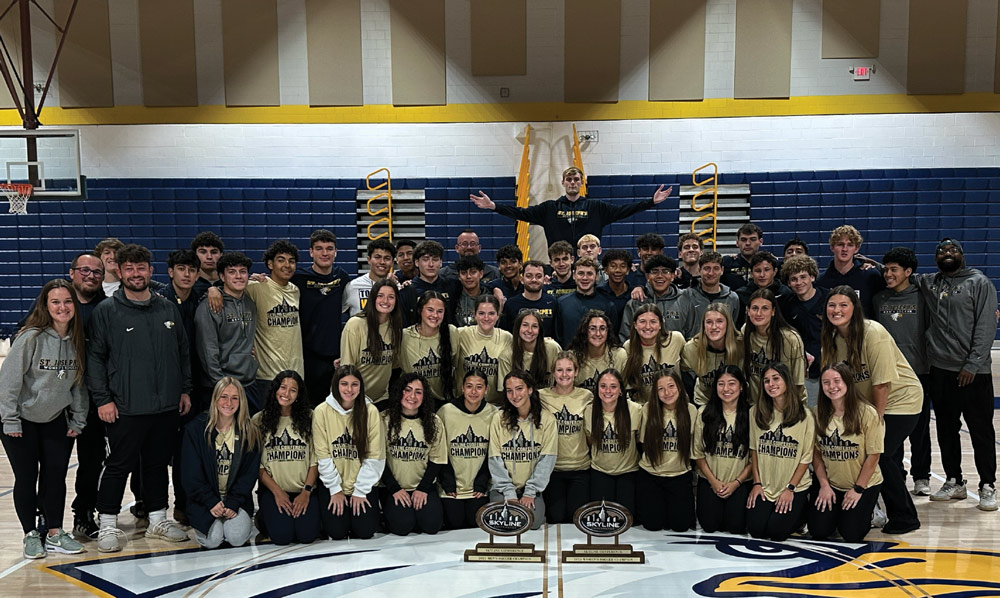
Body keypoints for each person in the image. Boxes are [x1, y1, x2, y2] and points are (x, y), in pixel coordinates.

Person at [88, 244, 191, 553]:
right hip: (125, 407)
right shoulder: (107, 310)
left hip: (166, 406)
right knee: (119, 465)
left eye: (141, 267)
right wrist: (103, 399)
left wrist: (184, 389)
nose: (136, 273)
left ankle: (158, 518)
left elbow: (183, 351)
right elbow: (95, 359)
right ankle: (107, 523)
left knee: (158, 464)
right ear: (119, 272)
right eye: (129, 268)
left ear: (150, 270)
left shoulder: (166, 307)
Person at [821, 285, 923, 534]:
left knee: (881, 454)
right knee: (878, 456)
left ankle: (905, 516)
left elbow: (882, 384)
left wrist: (876, 421)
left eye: (843, 305)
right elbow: (834, 380)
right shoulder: (832, 339)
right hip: (868, 404)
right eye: (832, 305)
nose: (837, 310)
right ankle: (875, 509)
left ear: (855, 309)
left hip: (901, 400)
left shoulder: (873, 332)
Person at [1, 279, 88, 559]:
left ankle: (54, 532)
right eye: (55, 302)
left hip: (54, 420)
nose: (62, 307)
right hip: (22, 421)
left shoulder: (76, 340)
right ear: (45, 305)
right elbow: (9, 382)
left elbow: (77, 385)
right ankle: (30, 535)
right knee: (26, 478)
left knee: (55, 478)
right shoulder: (31, 337)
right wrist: (10, 420)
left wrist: (78, 419)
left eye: (67, 301)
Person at [916, 238, 997, 510]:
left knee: (981, 431)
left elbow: (986, 327)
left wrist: (972, 365)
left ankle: (987, 484)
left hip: (973, 374)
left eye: (952, 251)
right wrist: (877, 268)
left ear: (962, 255)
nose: (946, 254)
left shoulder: (979, 282)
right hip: (940, 371)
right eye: (941, 251)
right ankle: (954, 480)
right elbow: (900, 274)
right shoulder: (929, 282)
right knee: (946, 430)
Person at [470, 166, 673, 248]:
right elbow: (521, 213)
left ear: (582, 182)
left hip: (589, 264)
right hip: (560, 264)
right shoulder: (549, 208)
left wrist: (650, 202)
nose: (573, 182)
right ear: (563, 182)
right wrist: (494, 206)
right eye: (569, 179)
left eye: (576, 179)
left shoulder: (597, 207)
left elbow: (624, 211)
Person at [873, 247, 932, 497]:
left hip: (919, 372)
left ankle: (922, 476)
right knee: (889, 430)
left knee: (920, 429)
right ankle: (897, 474)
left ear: (908, 272)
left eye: (893, 270)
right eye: (885, 269)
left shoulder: (922, 297)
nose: (887, 274)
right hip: (889, 375)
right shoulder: (879, 299)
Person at [809, 363, 884, 543]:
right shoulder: (817, 413)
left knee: (852, 534)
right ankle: (837, 514)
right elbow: (816, 454)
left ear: (848, 382)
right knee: (819, 531)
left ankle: (872, 510)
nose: (832, 387)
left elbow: (873, 456)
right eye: (826, 383)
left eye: (837, 381)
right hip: (832, 484)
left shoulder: (867, 413)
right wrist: (824, 485)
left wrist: (858, 489)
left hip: (861, 485)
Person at [182, 377, 260, 549]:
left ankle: (239, 523)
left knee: (237, 538)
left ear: (241, 401)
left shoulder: (250, 431)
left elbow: (249, 475)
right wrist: (210, 501)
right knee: (212, 541)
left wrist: (233, 502)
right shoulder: (195, 430)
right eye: (224, 396)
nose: (228, 403)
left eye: (234, 398)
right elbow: (191, 475)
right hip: (204, 501)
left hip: (235, 500)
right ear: (215, 399)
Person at [312, 365, 384, 540]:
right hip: (334, 485)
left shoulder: (371, 411)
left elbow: (376, 456)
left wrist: (360, 491)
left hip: (362, 485)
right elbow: (323, 455)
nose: (349, 389)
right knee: (337, 533)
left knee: (365, 532)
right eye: (344, 384)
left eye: (354, 384)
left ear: (360, 387)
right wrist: (335, 489)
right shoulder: (321, 411)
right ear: (336, 385)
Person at [746, 364, 814, 542]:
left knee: (777, 533)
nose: (771, 384)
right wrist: (757, 483)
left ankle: (803, 510)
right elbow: (754, 451)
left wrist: (790, 489)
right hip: (766, 485)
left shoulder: (805, 415)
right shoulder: (755, 412)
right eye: (766, 380)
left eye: (776, 378)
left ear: (786, 381)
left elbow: (806, 458)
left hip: (793, 486)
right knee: (756, 530)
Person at [66, 253, 108, 540]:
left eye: (97, 272)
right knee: (53, 464)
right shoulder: (57, 304)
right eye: (85, 270)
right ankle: (48, 518)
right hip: (56, 399)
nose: (91, 276)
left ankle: (84, 514)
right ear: (72, 273)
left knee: (91, 463)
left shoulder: (108, 308)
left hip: (92, 400)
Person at [253, 371, 319, 545]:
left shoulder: (311, 417)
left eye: (293, 390)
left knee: (306, 536)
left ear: (298, 395)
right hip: (274, 490)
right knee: (282, 537)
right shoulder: (259, 420)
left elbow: (316, 458)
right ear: (275, 389)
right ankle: (263, 516)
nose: (286, 394)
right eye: (283, 388)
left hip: (304, 489)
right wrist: (277, 492)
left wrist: (306, 491)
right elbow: (257, 464)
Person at [489, 371, 557, 530]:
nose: (514, 395)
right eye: (509, 390)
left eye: (519, 389)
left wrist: (530, 492)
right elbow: (495, 459)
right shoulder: (498, 418)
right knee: (503, 522)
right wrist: (509, 494)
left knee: (532, 523)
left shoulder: (546, 419)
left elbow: (547, 460)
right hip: (503, 487)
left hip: (531, 488)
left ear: (530, 389)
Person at [381, 374, 447, 535]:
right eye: (408, 390)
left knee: (432, 526)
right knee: (401, 528)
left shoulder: (434, 421)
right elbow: (377, 459)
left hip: (423, 486)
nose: (412, 396)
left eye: (418, 392)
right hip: (393, 487)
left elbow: (437, 460)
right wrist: (395, 489)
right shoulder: (383, 419)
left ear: (424, 397)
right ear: (399, 392)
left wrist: (423, 489)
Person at [195, 252, 258, 409]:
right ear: (222, 277)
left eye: (242, 271)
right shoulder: (210, 306)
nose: (238, 276)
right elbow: (208, 351)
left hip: (249, 382)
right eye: (232, 272)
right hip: (221, 386)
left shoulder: (250, 302)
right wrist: (222, 386)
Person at [693, 366, 751, 534]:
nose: (726, 389)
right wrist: (713, 481)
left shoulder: (751, 414)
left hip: (739, 482)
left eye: (732, 383)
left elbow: (754, 458)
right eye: (721, 384)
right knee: (709, 525)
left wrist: (736, 483)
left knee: (735, 527)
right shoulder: (704, 413)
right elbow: (698, 454)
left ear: (741, 386)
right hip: (711, 481)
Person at [293, 230, 348, 406]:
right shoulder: (298, 278)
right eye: (319, 248)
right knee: (311, 407)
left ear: (336, 252)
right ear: (311, 252)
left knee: (337, 406)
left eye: (329, 248)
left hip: (335, 357)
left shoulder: (342, 277)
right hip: (309, 356)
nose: (325, 253)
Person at [637, 371, 697, 532]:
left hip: (679, 476)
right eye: (661, 389)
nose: (667, 393)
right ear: (655, 393)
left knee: (680, 526)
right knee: (653, 525)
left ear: (679, 386)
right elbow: (642, 443)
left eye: (671, 386)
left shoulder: (691, 410)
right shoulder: (648, 409)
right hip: (651, 475)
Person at [244, 240, 304, 401]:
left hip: (295, 372)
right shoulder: (257, 287)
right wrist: (213, 289)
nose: (287, 265)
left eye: (291, 261)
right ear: (270, 264)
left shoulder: (295, 290)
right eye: (281, 260)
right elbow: (230, 288)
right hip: (267, 374)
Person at [438, 370, 498, 529]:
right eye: (469, 386)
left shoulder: (494, 413)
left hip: (478, 487)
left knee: (474, 522)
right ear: (462, 388)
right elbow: (439, 449)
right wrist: (448, 482)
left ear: (487, 389)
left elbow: (495, 452)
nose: (473, 391)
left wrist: (483, 482)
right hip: (452, 487)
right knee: (455, 522)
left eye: (479, 387)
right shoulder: (446, 411)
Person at [538, 352, 593, 524]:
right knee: (556, 518)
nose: (564, 374)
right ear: (553, 372)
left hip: (580, 469)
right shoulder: (541, 396)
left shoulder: (586, 396)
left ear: (576, 372)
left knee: (575, 518)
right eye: (559, 370)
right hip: (553, 470)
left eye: (569, 370)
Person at [584, 369, 642, 515]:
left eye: (613, 386)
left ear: (621, 390)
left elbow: (639, 441)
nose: (608, 391)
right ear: (597, 389)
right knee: (604, 518)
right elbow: (590, 441)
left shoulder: (635, 410)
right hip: (600, 471)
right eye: (603, 386)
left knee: (626, 518)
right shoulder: (589, 411)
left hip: (628, 472)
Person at [340, 278, 402, 405]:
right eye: (380, 296)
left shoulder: (395, 327)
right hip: (352, 398)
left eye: (391, 297)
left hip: (381, 398)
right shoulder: (355, 324)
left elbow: (394, 365)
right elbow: (347, 369)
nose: (385, 301)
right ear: (373, 298)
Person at [743, 289, 807, 404]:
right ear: (748, 311)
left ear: (773, 311)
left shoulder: (791, 339)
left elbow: (798, 383)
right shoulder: (745, 332)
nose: (758, 313)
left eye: (765, 308)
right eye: (755, 308)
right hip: (755, 406)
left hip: (787, 406)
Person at [779, 255, 826, 406]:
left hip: (827, 371)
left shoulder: (829, 299)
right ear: (788, 283)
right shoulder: (785, 304)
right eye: (794, 279)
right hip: (798, 374)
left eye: (803, 277)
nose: (799, 283)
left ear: (812, 276)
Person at [399, 291, 458, 405]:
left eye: (440, 311)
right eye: (430, 310)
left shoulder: (452, 332)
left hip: (444, 401)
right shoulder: (404, 336)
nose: (435, 315)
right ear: (420, 310)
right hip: (413, 402)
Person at [680, 304, 744, 406]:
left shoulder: (741, 345)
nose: (714, 327)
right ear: (703, 326)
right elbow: (683, 372)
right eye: (709, 322)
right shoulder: (692, 348)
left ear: (728, 324)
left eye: (719, 321)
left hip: (735, 402)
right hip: (704, 401)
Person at [455, 294, 513, 405]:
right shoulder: (461, 334)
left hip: (495, 406)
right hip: (464, 403)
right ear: (474, 314)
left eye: (491, 313)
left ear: (498, 315)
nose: (486, 318)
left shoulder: (507, 338)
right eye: (481, 313)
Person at [817, 225, 885, 318]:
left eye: (850, 245)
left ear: (856, 248)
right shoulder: (821, 281)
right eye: (840, 244)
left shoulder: (871, 276)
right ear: (832, 247)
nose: (845, 249)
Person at [621, 304, 684, 400]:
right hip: (643, 407)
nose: (648, 326)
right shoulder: (628, 347)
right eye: (642, 322)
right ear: (635, 325)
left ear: (660, 325)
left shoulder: (675, 339)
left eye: (653, 322)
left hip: (675, 404)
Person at [619, 255, 687, 342]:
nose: (660, 276)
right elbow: (626, 337)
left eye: (665, 271)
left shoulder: (684, 300)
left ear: (673, 276)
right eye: (654, 272)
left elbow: (691, 335)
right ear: (647, 277)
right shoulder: (635, 303)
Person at [677, 251, 742, 338]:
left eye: (716, 268)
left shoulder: (732, 298)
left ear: (722, 270)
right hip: (694, 347)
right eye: (707, 268)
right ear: (699, 270)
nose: (711, 273)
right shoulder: (686, 296)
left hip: (722, 349)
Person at [555, 257, 618, 347]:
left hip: (598, 359)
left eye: (589, 274)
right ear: (574, 275)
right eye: (581, 273)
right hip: (570, 358)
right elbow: (558, 338)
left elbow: (612, 338)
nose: (585, 278)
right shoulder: (562, 303)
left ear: (596, 276)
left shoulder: (608, 305)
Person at [400, 240, 460, 326]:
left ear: (441, 262)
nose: (431, 264)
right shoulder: (406, 291)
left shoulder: (453, 286)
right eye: (425, 259)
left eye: (435, 259)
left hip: (446, 337)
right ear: (417, 262)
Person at [569, 310, 627, 394]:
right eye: (592, 329)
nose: (598, 333)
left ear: (608, 331)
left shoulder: (620, 355)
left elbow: (626, 391)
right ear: (585, 331)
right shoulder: (572, 357)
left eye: (602, 329)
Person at [501, 260, 558, 337]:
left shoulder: (552, 302)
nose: (534, 280)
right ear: (521, 279)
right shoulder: (511, 304)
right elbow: (505, 335)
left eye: (538, 276)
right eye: (529, 276)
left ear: (544, 279)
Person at [344, 239, 396, 317]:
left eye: (387, 258)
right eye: (377, 257)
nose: (382, 262)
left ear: (392, 262)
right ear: (369, 260)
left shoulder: (397, 287)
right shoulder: (353, 286)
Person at [511, 309, 560, 387]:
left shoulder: (552, 348)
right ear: (518, 328)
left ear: (539, 330)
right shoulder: (509, 353)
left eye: (534, 326)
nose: (529, 330)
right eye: (525, 325)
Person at [453, 255, 492, 327]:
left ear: (481, 274)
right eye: (464, 273)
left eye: (473, 272)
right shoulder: (453, 298)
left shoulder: (492, 297)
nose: (468, 276)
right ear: (459, 276)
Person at [722, 223, 763, 290]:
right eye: (743, 240)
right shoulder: (727, 263)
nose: (748, 243)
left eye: (753, 239)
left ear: (761, 241)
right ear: (737, 243)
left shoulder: (768, 264)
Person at [598, 249, 634, 323]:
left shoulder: (634, 294)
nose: (618, 270)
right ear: (605, 270)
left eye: (622, 266)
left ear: (628, 270)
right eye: (613, 266)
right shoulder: (598, 292)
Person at [190, 231, 224, 298]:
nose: (209, 257)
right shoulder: (188, 284)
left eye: (214, 252)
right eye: (203, 252)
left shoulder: (230, 283)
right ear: (195, 255)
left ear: (221, 255)